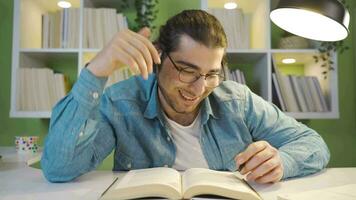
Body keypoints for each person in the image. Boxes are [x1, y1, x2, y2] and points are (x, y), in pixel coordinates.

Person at [41, 10, 330, 183]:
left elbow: (314, 144)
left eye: (211, 73)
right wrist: (96, 72)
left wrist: (283, 161)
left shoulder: (237, 100)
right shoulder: (120, 102)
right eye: (187, 70)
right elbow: (58, 169)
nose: (199, 88)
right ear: (159, 56)